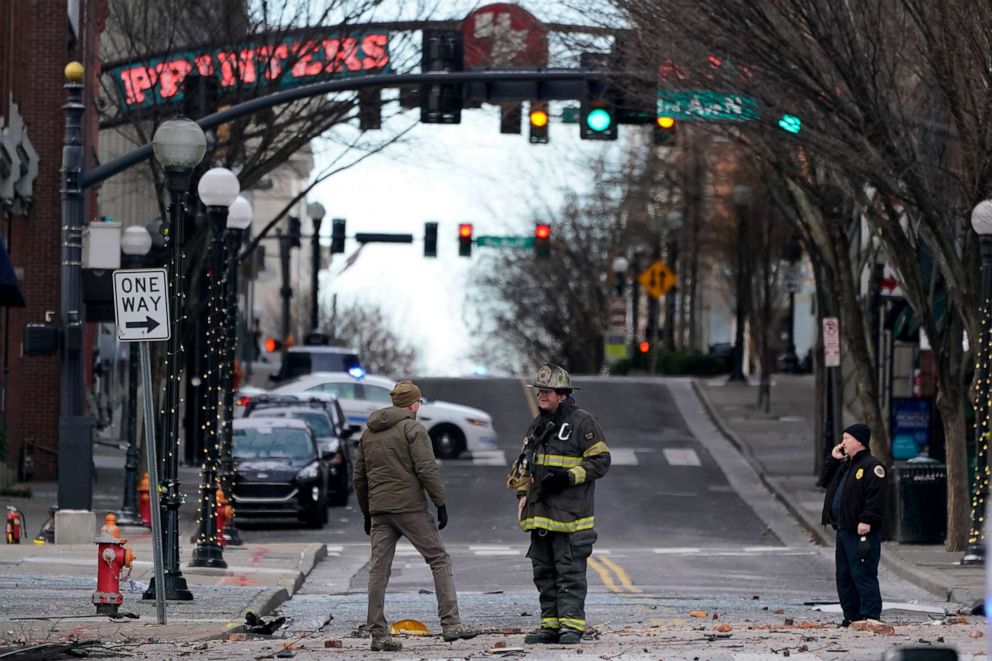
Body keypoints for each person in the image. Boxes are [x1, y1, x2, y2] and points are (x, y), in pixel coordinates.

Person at [353, 380, 477, 652]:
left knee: (378, 569)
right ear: (413, 404)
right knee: (438, 559)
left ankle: (378, 633)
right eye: (418, 402)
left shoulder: (368, 434)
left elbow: (359, 477)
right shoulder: (414, 429)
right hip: (410, 509)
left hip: (380, 511)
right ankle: (451, 623)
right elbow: (426, 469)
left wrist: (366, 512)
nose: (419, 407)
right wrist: (440, 502)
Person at [509, 364, 611, 645]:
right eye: (539, 391)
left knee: (569, 573)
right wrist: (521, 496)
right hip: (540, 516)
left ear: (563, 395)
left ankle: (572, 627)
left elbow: (601, 461)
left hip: (571, 517)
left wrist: (568, 477)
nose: (541, 395)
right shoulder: (537, 425)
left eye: (547, 391)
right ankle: (550, 626)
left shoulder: (582, 422)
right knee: (544, 572)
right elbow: (523, 465)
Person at [819, 423, 887, 627]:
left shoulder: (872, 466)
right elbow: (824, 481)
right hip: (843, 528)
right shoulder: (846, 465)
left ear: (859, 441)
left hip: (861, 531)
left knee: (863, 573)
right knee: (844, 575)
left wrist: (866, 519)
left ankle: (871, 615)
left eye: (847, 438)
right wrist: (833, 458)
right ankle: (851, 615)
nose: (843, 443)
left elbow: (876, 497)